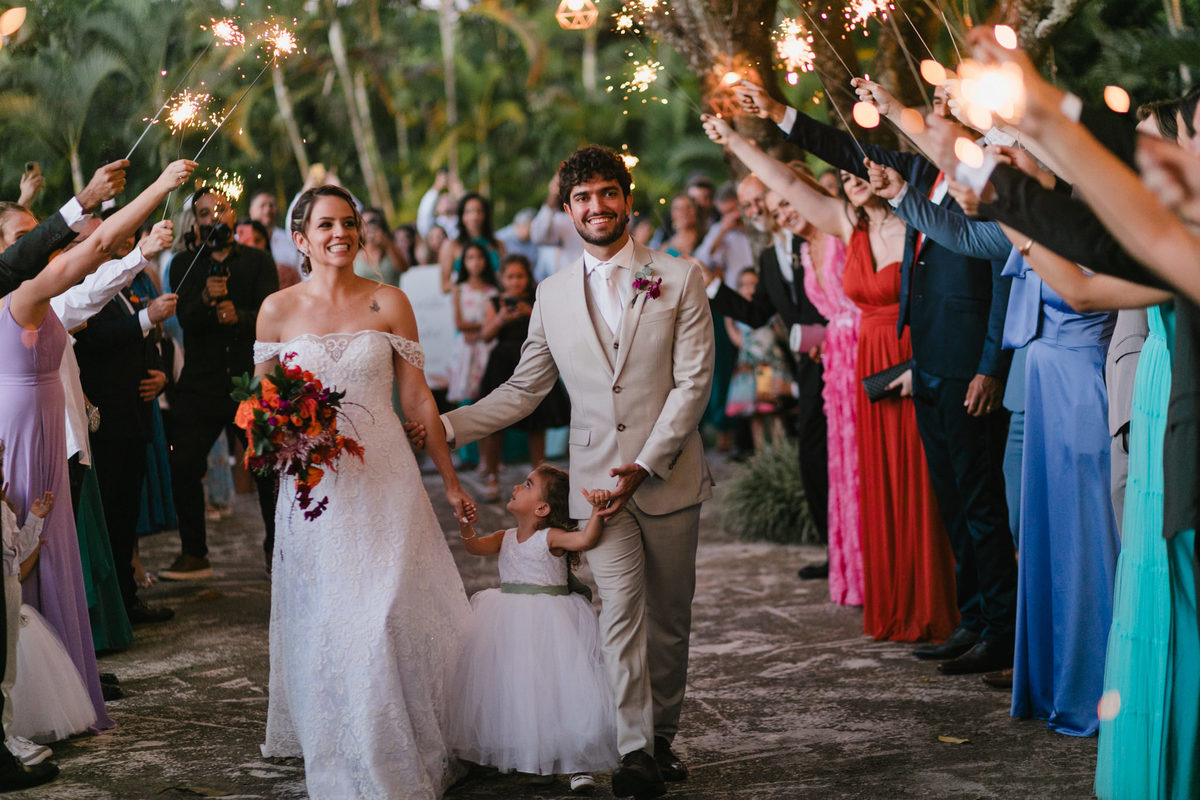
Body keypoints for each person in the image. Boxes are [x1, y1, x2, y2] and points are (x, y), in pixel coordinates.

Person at [421, 145, 714, 799]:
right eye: (583, 197)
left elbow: (693, 385)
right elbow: (524, 390)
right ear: (567, 209)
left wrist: (643, 463)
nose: (597, 206)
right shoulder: (551, 295)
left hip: (666, 475)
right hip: (592, 486)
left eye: (608, 193)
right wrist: (448, 425)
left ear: (627, 201)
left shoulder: (680, 276)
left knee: (669, 617)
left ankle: (660, 736)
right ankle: (635, 752)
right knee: (619, 610)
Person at [737, 80, 1017, 674]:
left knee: (982, 503)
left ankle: (1003, 628)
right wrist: (782, 114)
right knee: (951, 501)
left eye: (944, 120)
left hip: (972, 367)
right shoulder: (918, 172)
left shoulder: (988, 184)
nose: (931, 127)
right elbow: (845, 150)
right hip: (928, 362)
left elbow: (1002, 280)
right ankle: (972, 618)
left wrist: (993, 364)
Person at [254, 184, 475, 799]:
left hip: (388, 480)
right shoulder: (276, 310)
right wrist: (290, 435)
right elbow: (263, 405)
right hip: (317, 488)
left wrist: (450, 482)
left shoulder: (389, 302)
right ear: (301, 239)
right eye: (325, 225)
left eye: (348, 223)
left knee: (384, 615)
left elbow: (417, 398)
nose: (340, 234)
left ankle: (396, 744)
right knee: (335, 616)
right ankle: (346, 738)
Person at [703, 116, 957, 642]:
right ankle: (892, 595)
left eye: (860, 169)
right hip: (860, 365)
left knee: (924, 479)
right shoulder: (847, 227)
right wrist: (733, 141)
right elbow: (789, 185)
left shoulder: (917, 220)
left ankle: (944, 601)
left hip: (910, 352)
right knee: (876, 479)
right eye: (844, 174)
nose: (852, 177)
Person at [3, 158, 194, 739]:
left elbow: (97, 266)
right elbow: (100, 244)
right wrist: (159, 188)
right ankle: (26, 704)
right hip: (21, 445)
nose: (42, 245)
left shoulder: (35, 298)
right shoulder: (26, 298)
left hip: (45, 443)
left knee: (48, 565)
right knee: (21, 567)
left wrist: (136, 246)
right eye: (22, 238)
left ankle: (58, 686)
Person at [446, 466, 616, 793]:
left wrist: (596, 512)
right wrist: (465, 524)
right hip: (510, 623)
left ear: (542, 509)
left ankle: (577, 763)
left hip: (550, 622)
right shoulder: (505, 537)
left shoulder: (549, 538)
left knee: (559, 689)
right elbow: (474, 548)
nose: (516, 486)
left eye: (527, 484)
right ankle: (537, 760)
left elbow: (585, 539)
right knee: (523, 691)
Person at [704, 174, 833, 580]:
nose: (755, 209)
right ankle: (835, 549)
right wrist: (712, 287)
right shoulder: (767, 257)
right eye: (748, 204)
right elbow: (757, 314)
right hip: (810, 366)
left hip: (845, 355)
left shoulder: (812, 238)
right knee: (813, 455)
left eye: (759, 199)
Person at [162, 187, 280, 579]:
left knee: (267, 467)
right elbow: (183, 319)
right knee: (182, 462)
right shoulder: (181, 264)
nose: (213, 217)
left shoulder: (260, 262)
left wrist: (240, 318)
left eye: (220, 209)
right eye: (204, 212)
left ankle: (277, 549)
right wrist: (206, 302)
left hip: (249, 381)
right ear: (196, 222)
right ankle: (194, 553)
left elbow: (270, 314)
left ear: (233, 214)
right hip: (201, 381)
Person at [476, 255, 569, 499]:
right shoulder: (495, 302)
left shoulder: (538, 300)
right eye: (510, 277)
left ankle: (539, 479)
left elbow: (554, 331)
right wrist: (500, 319)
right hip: (502, 364)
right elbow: (485, 335)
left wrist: (531, 314)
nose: (515, 282)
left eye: (519, 276)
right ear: (502, 279)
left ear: (527, 278)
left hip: (532, 362)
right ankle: (492, 477)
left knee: (537, 425)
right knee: (495, 424)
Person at [445, 241, 499, 408]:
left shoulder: (493, 290)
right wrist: (485, 324)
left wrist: (482, 328)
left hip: (487, 345)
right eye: (470, 258)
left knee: (486, 393)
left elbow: (495, 322)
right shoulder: (459, 289)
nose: (475, 262)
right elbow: (459, 323)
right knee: (466, 393)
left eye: (479, 257)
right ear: (464, 262)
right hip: (466, 346)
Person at [438, 192, 504, 293]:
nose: (474, 216)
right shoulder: (451, 246)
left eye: (479, 211)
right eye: (468, 211)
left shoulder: (498, 245)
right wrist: (471, 284)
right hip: (466, 303)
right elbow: (445, 286)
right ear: (461, 215)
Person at [248, 190, 300, 281]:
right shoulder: (238, 242)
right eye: (262, 206)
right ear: (251, 211)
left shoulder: (289, 239)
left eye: (271, 205)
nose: (268, 210)